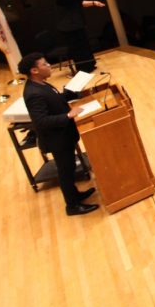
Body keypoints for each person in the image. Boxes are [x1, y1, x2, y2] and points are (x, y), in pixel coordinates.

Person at [19, 52, 98, 216]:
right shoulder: (33, 93)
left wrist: (69, 92)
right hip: (57, 140)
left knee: (68, 168)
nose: (49, 65)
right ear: (34, 70)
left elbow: (54, 100)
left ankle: (75, 195)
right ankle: (72, 206)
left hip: (64, 136)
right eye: (44, 64)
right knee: (65, 171)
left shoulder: (42, 84)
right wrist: (68, 115)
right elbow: (40, 121)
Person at [49, 0, 105, 73]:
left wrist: (93, 2)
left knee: (85, 45)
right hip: (70, 28)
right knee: (78, 49)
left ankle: (90, 65)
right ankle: (83, 69)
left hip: (76, 25)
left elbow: (79, 2)